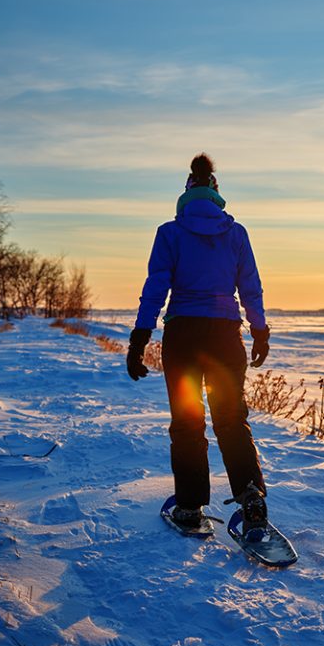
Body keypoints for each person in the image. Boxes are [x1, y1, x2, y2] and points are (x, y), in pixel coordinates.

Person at [127, 153, 271, 534]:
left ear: (187, 192)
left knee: (188, 422)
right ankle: (252, 496)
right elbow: (250, 289)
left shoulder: (170, 232)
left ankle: (189, 507)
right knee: (230, 419)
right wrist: (259, 331)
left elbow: (155, 288)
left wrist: (139, 337)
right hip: (225, 337)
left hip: (184, 337)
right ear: (216, 193)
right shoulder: (236, 233)